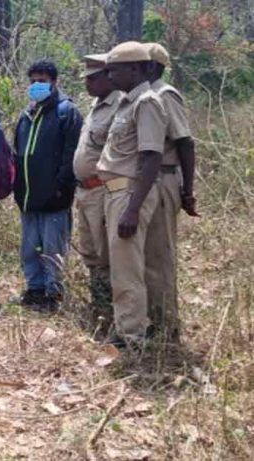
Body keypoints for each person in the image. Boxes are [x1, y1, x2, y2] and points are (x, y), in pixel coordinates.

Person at [97, 41, 166, 349]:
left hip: (128, 194)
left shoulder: (147, 102)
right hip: (115, 193)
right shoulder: (126, 102)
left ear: (137, 69)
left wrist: (133, 208)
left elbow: (151, 157)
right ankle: (125, 326)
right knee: (121, 267)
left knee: (127, 270)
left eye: (115, 70)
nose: (109, 77)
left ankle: (131, 336)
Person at [13, 59, 83, 311]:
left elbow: (71, 153)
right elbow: (17, 153)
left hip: (54, 195)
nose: (36, 85)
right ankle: (34, 289)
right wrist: (18, 188)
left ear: (54, 82)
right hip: (29, 195)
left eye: (42, 81)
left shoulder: (66, 112)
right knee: (30, 246)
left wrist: (63, 187)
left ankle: (54, 293)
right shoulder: (27, 114)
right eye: (32, 81)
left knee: (53, 247)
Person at [143, 42, 198, 343]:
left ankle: (166, 327)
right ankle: (150, 319)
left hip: (162, 181)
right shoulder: (140, 98)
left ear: (150, 67)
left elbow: (186, 142)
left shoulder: (165, 96)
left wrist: (187, 191)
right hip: (142, 183)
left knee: (158, 257)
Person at [73, 54, 123, 329]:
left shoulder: (120, 106)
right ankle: (100, 310)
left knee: (107, 256)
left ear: (109, 77)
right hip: (84, 193)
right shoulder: (96, 106)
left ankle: (115, 317)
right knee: (91, 255)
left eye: (93, 78)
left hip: (103, 192)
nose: (87, 83)